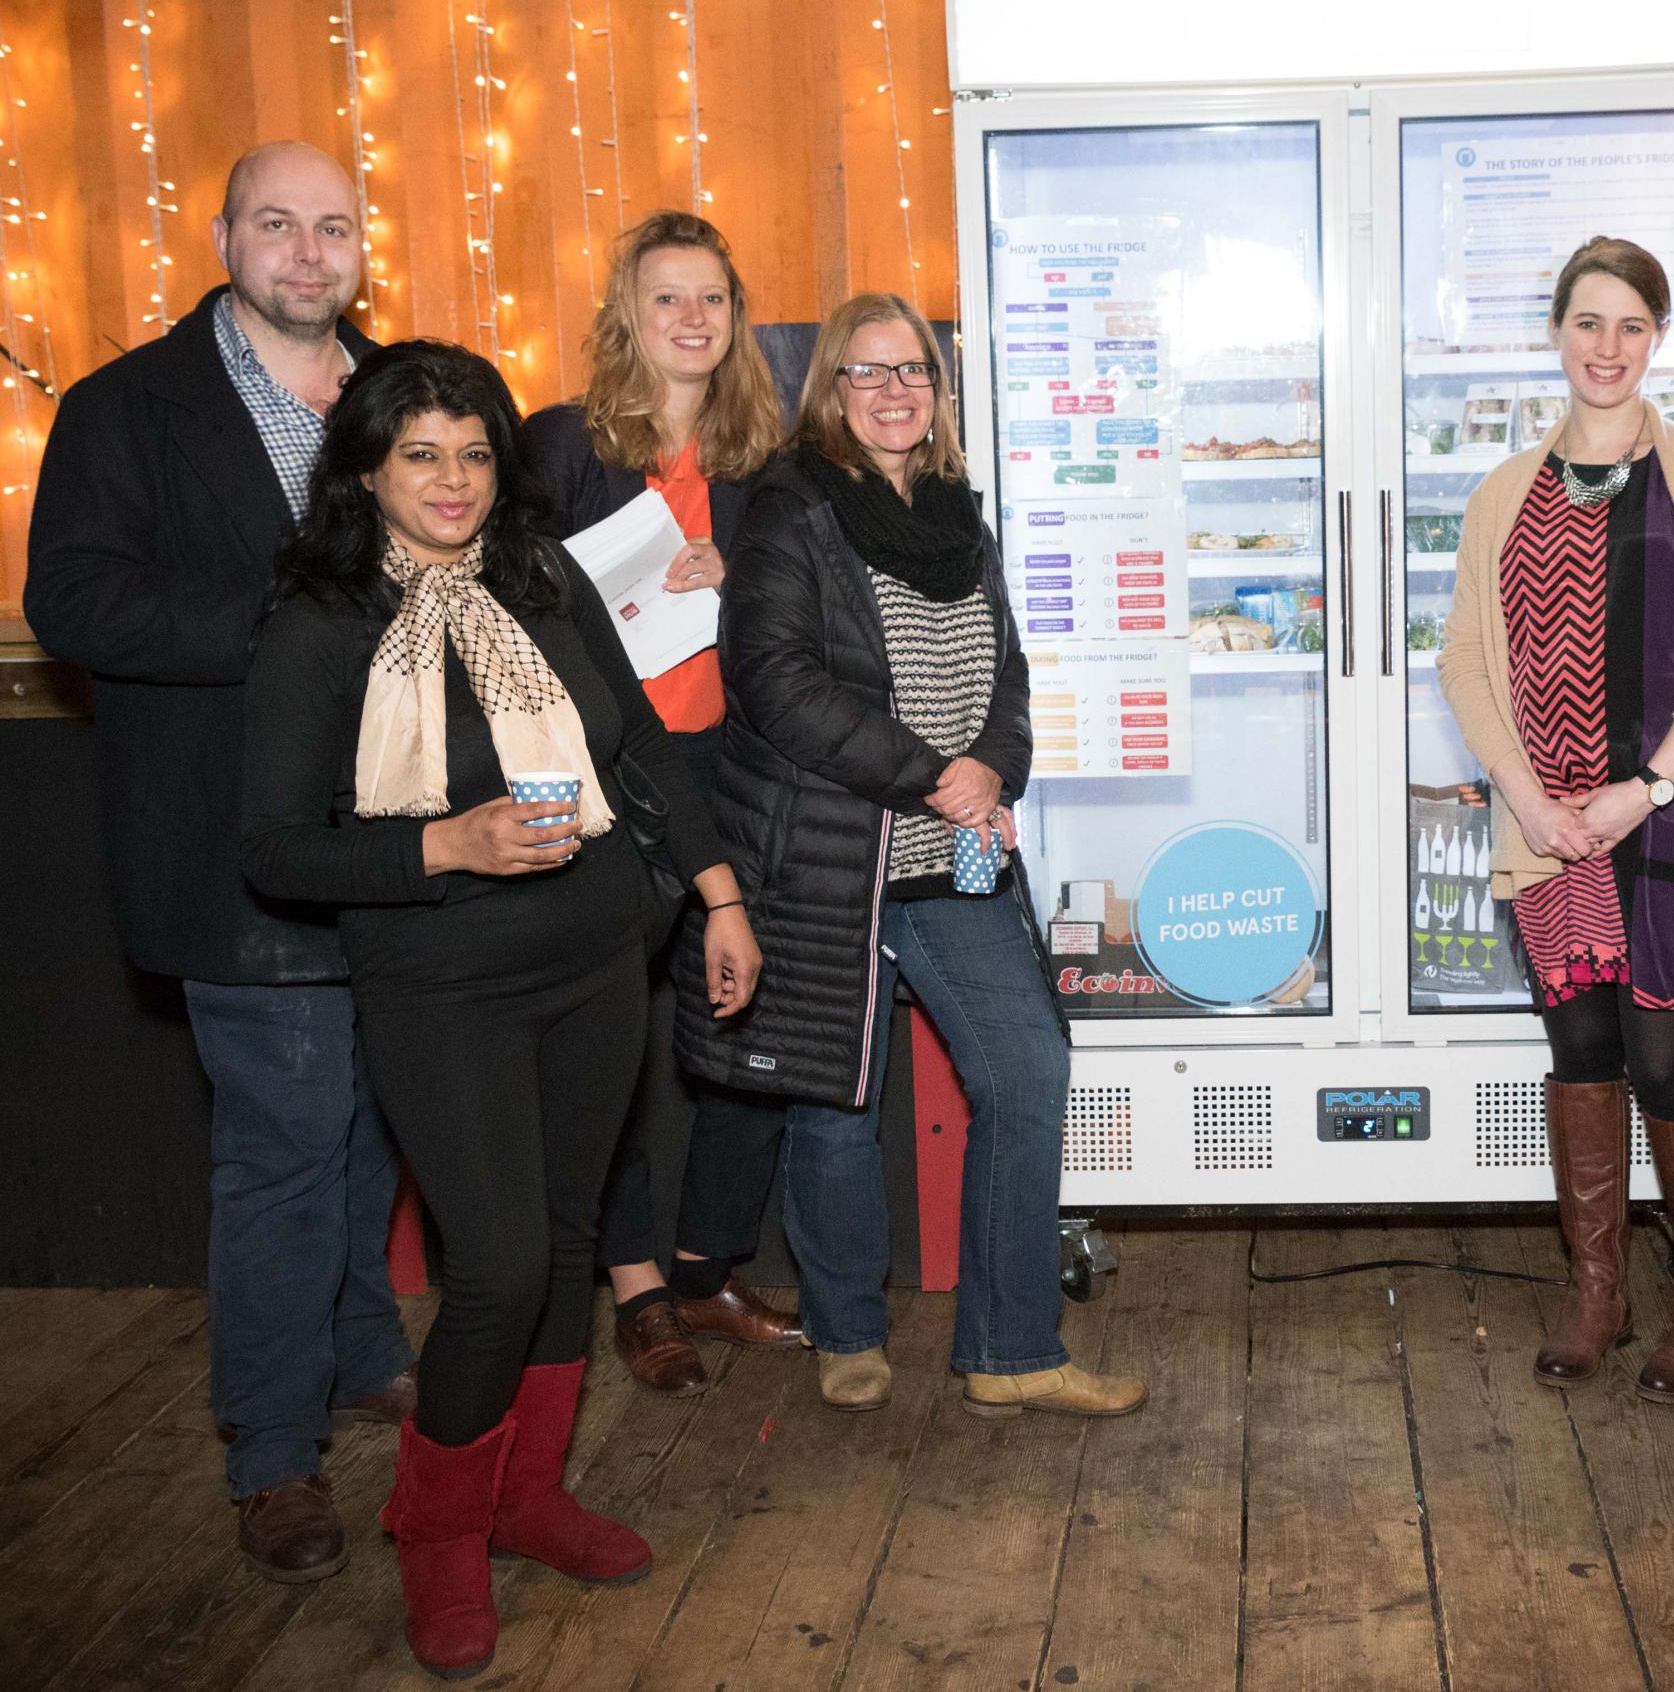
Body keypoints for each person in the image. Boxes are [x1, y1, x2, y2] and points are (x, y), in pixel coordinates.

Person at [239, 341, 761, 1678]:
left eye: (474, 451)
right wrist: (443, 846)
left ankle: (523, 1499)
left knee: (573, 1233)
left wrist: (718, 894)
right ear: (367, 467)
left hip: (594, 959)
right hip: (441, 980)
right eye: (421, 452)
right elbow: (278, 849)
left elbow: (635, 744)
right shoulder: (322, 617)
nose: (454, 478)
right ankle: (438, 1532)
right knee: (502, 1265)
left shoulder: (543, 571)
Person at [22, 142, 415, 1584]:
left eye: (332, 228)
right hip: (239, 857)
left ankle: (365, 1349)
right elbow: (71, 598)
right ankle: (270, 1447)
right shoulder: (131, 406)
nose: (307, 254)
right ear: (224, 233)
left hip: (403, 839)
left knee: (380, 1116)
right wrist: (290, 612)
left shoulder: (400, 398)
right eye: (276, 225)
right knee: (285, 1143)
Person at [675, 291, 1145, 1421]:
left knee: (1027, 1073)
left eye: (913, 374)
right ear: (830, 390)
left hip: (958, 851)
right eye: (868, 373)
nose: (894, 393)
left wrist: (995, 766)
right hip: (830, 855)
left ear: (937, 394)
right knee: (837, 1102)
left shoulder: (956, 515)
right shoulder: (790, 512)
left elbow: (1010, 673)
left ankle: (1010, 1349)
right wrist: (937, 773)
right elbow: (778, 684)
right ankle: (845, 1331)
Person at [1440, 236, 1674, 1401]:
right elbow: (1465, 661)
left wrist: (1653, 782)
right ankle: (1597, 1293)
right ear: (1555, 333)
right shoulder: (1501, 493)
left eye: (1631, 325)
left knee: (1668, 1059)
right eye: (1588, 322)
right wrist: (1529, 798)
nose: (1607, 347)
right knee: (1580, 1050)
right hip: (1549, 824)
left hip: (1670, 812)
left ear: (1658, 340)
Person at [525, 210, 802, 1396]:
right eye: (666, 298)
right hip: (603, 778)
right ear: (625, 317)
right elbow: (511, 604)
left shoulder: (767, 464)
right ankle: (637, 1289)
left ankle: (702, 1265)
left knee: (765, 1022)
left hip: (733, 769)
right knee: (614, 1042)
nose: (692, 320)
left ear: (735, 319)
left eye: (712, 299)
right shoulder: (557, 449)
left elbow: (815, 612)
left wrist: (742, 578)